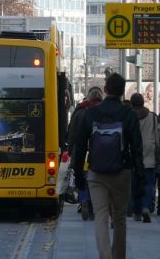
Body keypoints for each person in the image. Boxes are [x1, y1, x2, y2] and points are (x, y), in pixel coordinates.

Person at [73, 73, 145, 259]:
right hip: (122, 171)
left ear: (105, 90)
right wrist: (140, 174)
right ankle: (118, 256)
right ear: (122, 92)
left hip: (96, 172)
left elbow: (80, 146)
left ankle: (105, 256)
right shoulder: (128, 113)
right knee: (120, 217)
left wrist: (79, 174)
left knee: (101, 216)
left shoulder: (90, 113)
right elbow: (137, 147)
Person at [66, 86, 103, 220]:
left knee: (80, 176)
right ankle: (93, 205)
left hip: (79, 148)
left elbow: (71, 132)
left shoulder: (80, 110)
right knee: (93, 178)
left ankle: (83, 200)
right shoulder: (102, 111)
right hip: (97, 150)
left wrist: (70, 149)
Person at [130, 93, 160, 223]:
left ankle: (136, 210)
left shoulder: (129, 115)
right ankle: (146, 206)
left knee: (134, 183)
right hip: (149, 149)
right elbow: (157, 134)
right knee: (149, 182)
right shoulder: (152, 116)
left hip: (133, 150)